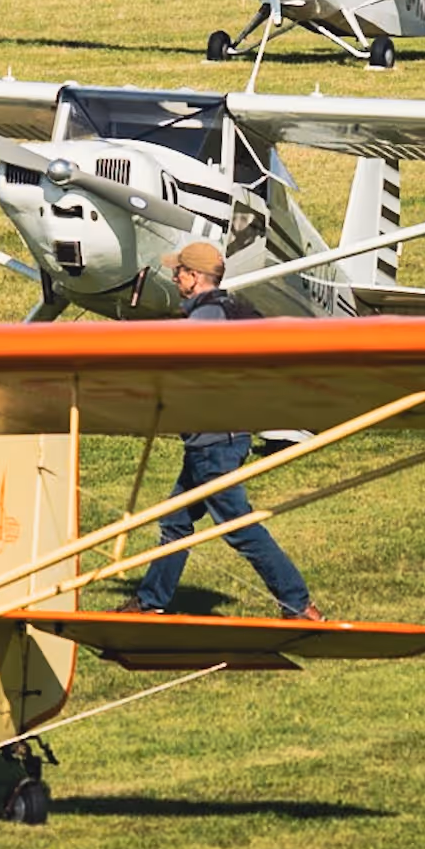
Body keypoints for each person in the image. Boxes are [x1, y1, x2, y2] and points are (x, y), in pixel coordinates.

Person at [117, 242, 324, 621]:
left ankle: (298, 604)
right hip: (215, 440)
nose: (174, 277)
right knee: (176, 521)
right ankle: (150, 603)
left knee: (239, 527)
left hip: (214, 444)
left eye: (179, 272)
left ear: (194, 278)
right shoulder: (230, 311)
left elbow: (189, 371)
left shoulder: (207, 317)